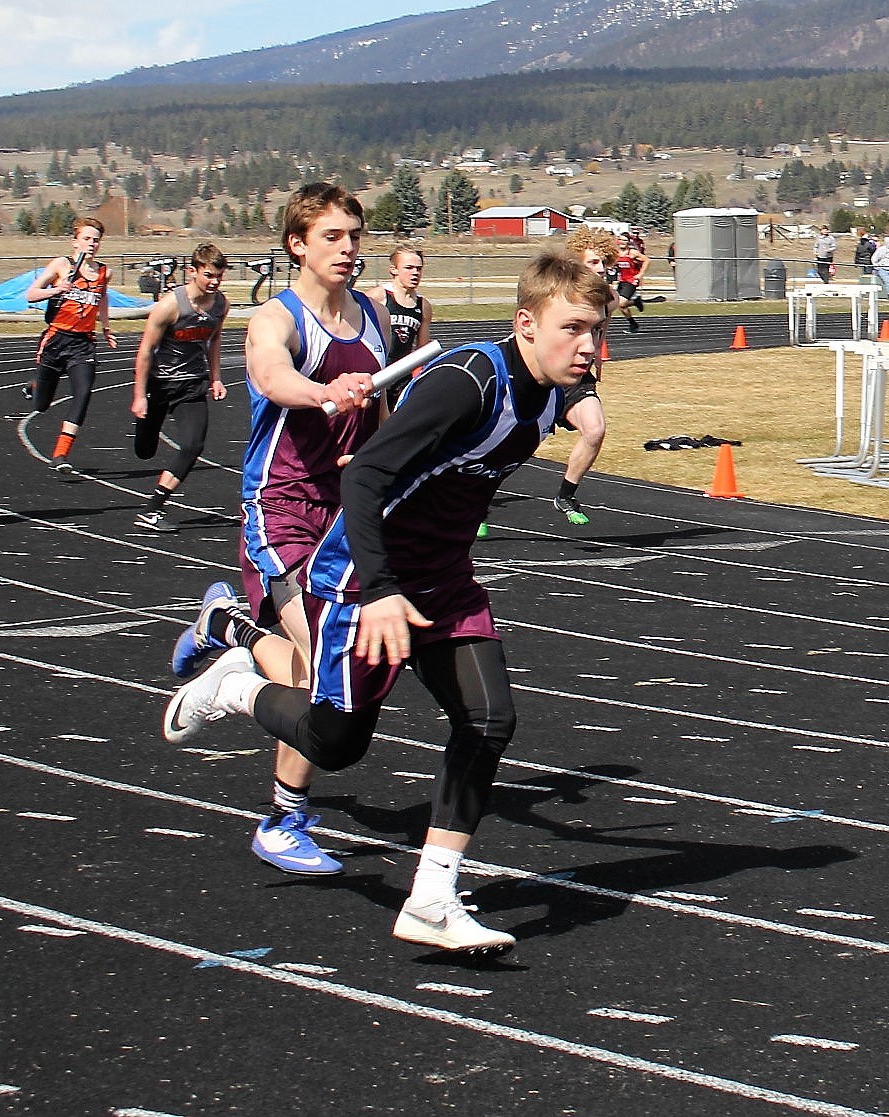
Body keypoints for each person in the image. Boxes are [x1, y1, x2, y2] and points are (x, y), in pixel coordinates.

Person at [163, 251, 610, 952]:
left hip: (445, 578)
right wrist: (377, 591)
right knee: (335, 743)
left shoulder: (557, 385)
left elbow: (579, 412)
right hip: (363, 577)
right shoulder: (469, 379)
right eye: (573, 328)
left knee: (489, 718)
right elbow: (367, 473)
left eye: (597, 329)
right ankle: (235, 684)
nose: (588, 345)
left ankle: (431, 897)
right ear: (525, 323)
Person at [172, 182, 391, 875]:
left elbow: (379, 412)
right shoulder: (277, 316)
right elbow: (270, 377)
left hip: (343, 509)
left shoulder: (375, 314)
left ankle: (233, 630)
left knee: (315, 671)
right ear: (297, 244)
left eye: (355, 235)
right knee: (331, 660)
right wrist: (323, 391)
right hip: (282, 505)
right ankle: (282, 818)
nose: (349, 249)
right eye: (333, 236)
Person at [130, 243, 230, 533]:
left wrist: (215, 377)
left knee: (193, 444)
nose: (214, 282)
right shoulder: (170, 305)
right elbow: (146, 350)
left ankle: (153, 508)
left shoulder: (221, 304)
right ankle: (142, 424)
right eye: (209, 275)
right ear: (192, 272)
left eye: (219, 277)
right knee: (145, 451)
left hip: (192, 385)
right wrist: (139, 396)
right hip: (159, 384)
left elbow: (214, 341)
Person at [24, 217, 117, 473]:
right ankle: (36, 385)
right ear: (75, 242)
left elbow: (102, 299)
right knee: (41, 406)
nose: (92, 244)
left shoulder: (104, 272)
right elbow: (31, 295)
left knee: (83, 393)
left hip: (83, 344)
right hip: (56, 340)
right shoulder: (61, 265)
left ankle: (60, 454)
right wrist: (56, 290)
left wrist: (106, 327)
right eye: (87, 238)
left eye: (96, 240)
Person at [551, 226, 618, 525]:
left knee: (595, 430)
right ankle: (478, 503)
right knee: (511, 444)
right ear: (577, 263)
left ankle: (566, 494)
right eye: (593, 262)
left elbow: (603, 326)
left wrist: (598, 357)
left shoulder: (609, 298)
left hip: (578, 378)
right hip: (544, 376)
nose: (601, 268)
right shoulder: (557, 293)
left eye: (604, 262)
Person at [366, 243, 433, 410]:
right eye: (409, 268)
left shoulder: (423, 305)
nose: (415, 273)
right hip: (376, 373)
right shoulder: (378, 296)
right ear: (393, 270)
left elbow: (422, 351)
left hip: (402, 376)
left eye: (419, 268)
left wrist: (419, 378)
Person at [614, 232, 648, 332]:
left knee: (621, 303)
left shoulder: (632, 252)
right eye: (621, 240)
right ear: (617, 241)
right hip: (622, 280)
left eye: (625, 240)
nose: (622, 242)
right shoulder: (615, 253)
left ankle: (633, 323)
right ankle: (633, 322)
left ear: (628, 242)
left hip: (631, 280)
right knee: (621, 305)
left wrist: (640, 274)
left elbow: (646, 260)